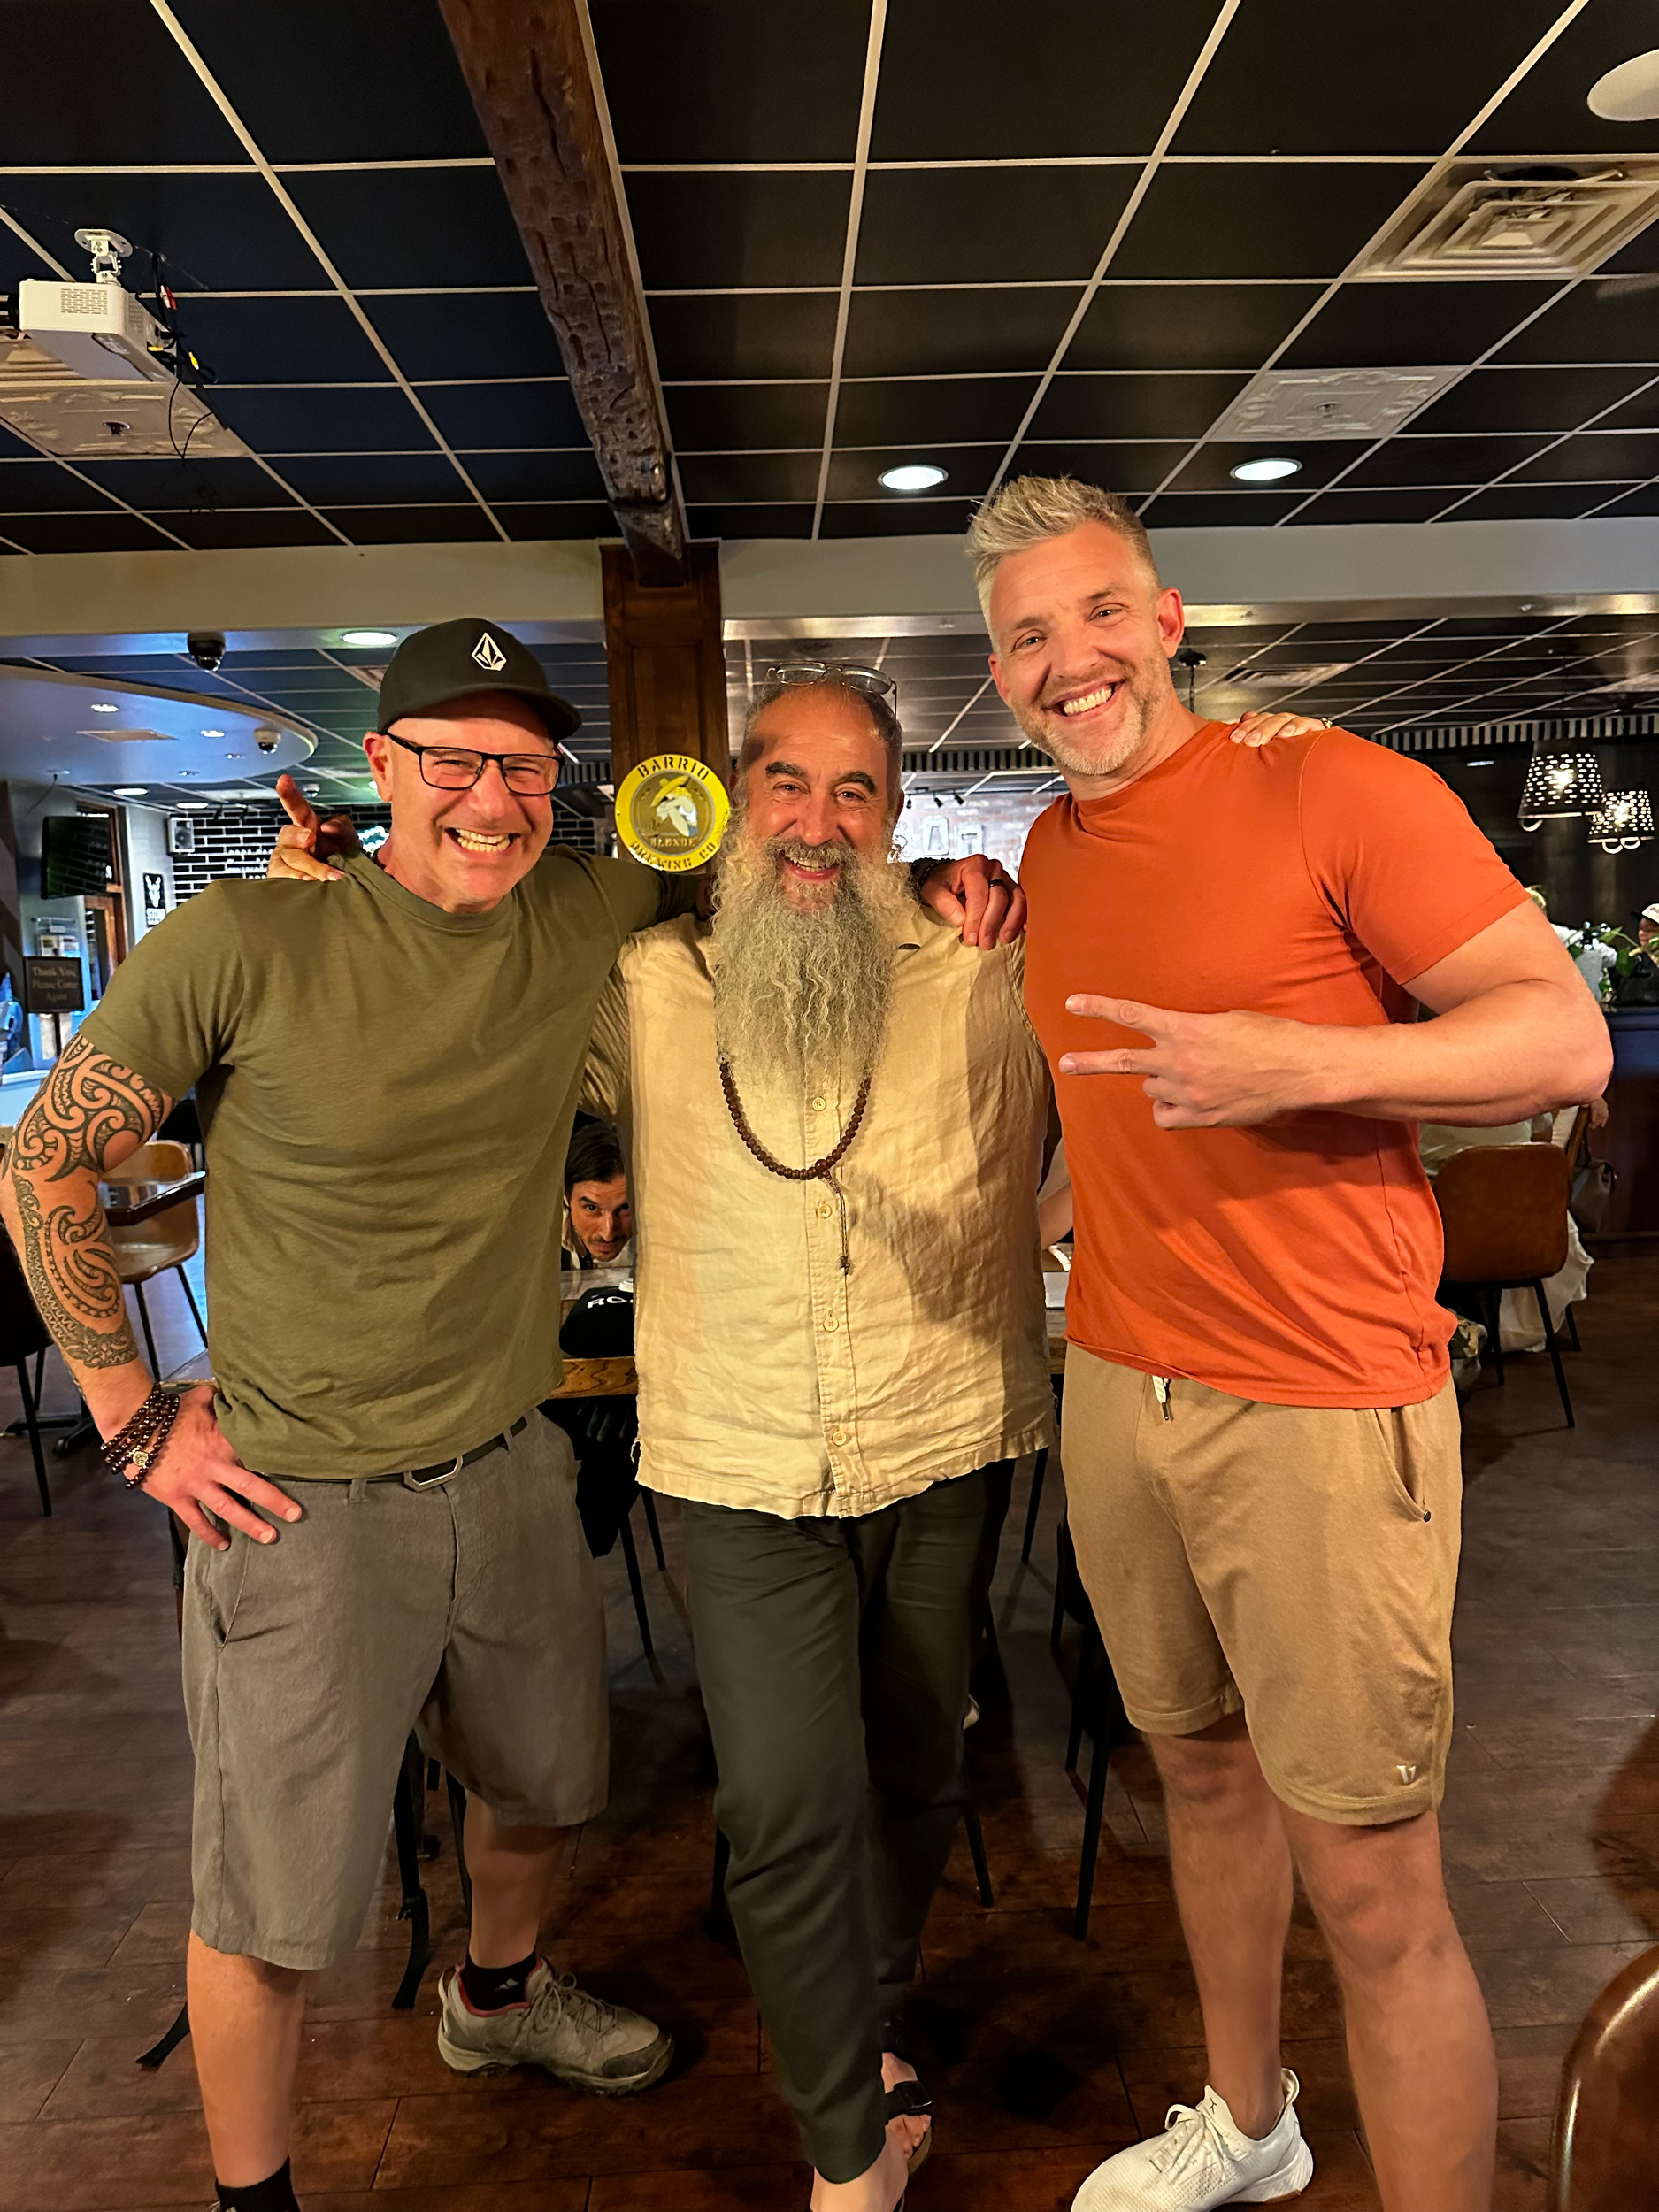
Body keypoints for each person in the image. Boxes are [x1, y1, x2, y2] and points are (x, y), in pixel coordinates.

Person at [271, 663, 1320, 2212]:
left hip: (945, 1436)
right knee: (777, 1802)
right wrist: (335, 905)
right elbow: (450, 1009)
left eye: (855, 793)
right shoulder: (642, 985)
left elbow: (1158, 1019)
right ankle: (845, 2144)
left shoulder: (986, 963)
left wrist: (1255, 767)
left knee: (914, 1776)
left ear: (896, 817)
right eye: (786, 785)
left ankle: (871, 2028)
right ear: (736, 805)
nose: (817, 824)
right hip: (736, 1457)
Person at [968, 475, 1611, 2212]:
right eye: (1024, 632)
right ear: (1001, 667)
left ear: (1165, 619)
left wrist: (1302, 1062)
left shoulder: (1330, 784)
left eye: (1098, 610)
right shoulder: (1049, 849)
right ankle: (1247, 2118)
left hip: (1321, 1403)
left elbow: (1559, 1041)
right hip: (1117, 1378)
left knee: (1375, 1879)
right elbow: (1095, 1112)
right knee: (1194, 1771)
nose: (1066, 656)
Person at [562, 1116, 634, 1269]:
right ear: (566, 1198)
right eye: (592, 1208)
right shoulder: (534, 1241)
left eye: (625, 1208)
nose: (608, 1234)